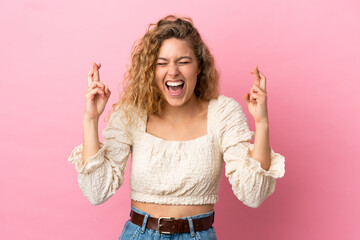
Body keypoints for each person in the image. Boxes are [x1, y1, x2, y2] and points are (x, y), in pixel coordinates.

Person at [68, 15, 285, 240]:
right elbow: (96, 192)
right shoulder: (131, 113)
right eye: (162, 63)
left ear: (199, 66)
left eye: (183, 61)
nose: (173, 71)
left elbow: (253, 194)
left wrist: (262, 123)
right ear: (151, 70)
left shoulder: (223, 113)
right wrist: (90, 119)